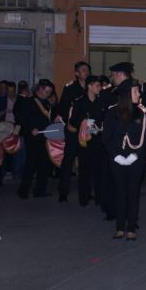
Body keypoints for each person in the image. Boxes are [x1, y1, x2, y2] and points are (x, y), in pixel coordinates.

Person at [103, 80, 146, 241]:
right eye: (136, 91)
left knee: (132, 192)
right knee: (120, 192)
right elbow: (107, 138)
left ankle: (131, 228)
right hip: (116, 158)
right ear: (126, 94)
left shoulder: (142, 112)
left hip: (135, 159)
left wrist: (134, 155)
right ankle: (119, 227)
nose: (139, 94)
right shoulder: (111, 112)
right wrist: (116, 155)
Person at [66, 75, 105, 207]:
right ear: (89, 86)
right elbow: (73, 121)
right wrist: (86, 123)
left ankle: (100, 198)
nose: (100, 88)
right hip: (85, 142)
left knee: (99, 172)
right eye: (97, 85)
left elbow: (103, 119)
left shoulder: (101, 101)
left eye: (100, 85)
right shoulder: (80, 102)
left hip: (99, 141)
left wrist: (98, 126)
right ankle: (84, 198)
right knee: (84, 172)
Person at [17, 79, 58, 199]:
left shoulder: (46, 103)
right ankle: (23, 191)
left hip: (45, 135)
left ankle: (40, 190)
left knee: (44, 164)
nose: (48, 94)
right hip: (33, 137)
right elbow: (21, 118)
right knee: (31, 163)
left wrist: (54, 120)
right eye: (47, 91)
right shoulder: (29, 102)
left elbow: (48, 117)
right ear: (40, 89)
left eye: (50, 92)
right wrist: (31, 129)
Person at [58, 62, 92, 203]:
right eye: (83, 70)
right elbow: (62, 108)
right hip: (73, 131)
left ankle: (85, 193)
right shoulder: (70, 88)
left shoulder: (93, 86)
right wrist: (69, 124)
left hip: (87, 131)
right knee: (68, 162)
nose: (86, 72)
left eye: (88, 70)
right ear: (77, 73)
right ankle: (63, 193)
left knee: (86, 164)